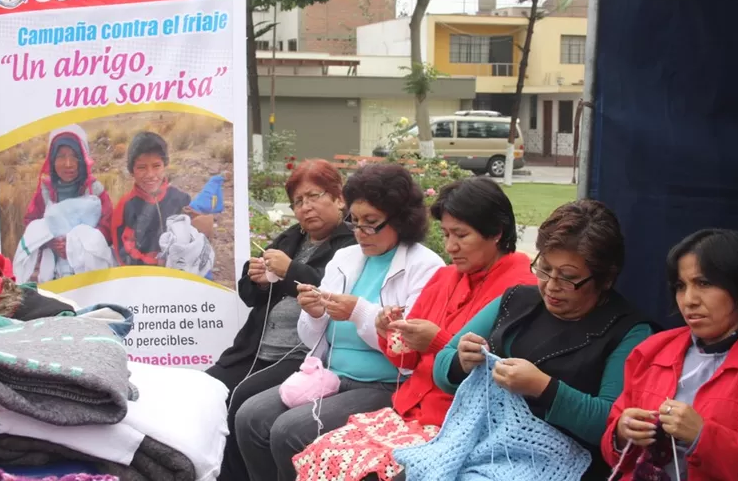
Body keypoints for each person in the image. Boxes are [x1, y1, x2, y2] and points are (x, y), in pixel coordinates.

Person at [292, 177, 538, 481]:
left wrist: (435, 342)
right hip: (411, 409)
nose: (450, 246)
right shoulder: (446, 277)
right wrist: (388, 331)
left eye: (461, 235)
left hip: (461, 422)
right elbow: (405, 361)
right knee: (319, 450)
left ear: (497, 233)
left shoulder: (521, 289)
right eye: (446, 234)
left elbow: (497, 374)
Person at [235, 163, 445, 481]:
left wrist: (359, 311)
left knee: (288, 431)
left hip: (387, 385)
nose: (359, 233)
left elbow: (408, 354)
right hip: (330, 376)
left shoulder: (425, 266)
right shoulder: (346, 258)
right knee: (250, 416)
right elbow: (312, 340)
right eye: (355, 222)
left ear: (401, 219)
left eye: (370, 224)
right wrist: (315, 313)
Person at [433, 199, 655, 480]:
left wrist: (544, 388)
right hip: (487, 449)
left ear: (606, 279)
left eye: (568, 278)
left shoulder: (630, 332)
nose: (551, 286)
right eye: (545, 268)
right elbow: (441, 364)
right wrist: (460, 362)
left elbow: (611, 424)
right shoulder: (515, 300)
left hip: (568, 466)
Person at [603, 229, 738, 481]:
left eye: (704, 284)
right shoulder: (652, 350)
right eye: (681, 286)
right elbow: (612, 452)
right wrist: (620, 433)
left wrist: (703, 438)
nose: (689, 300)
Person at [207, 159, 356, 481]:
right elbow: (249, 296)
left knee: (239, 399)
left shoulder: (351, 245)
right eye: (298, 202)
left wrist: (291, 271)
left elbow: (331, 294)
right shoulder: (290, 239)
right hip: (254, 350)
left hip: (302, 355)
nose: (306, 207)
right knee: (204, 389)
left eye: (315, 196)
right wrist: (257, 279)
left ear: (338, 198)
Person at [22, 125, 114, 259]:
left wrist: (76, 246)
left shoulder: (94, 190)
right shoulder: (46, 192)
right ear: (52, 160)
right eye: (61, 156)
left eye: (74, 156)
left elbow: (108, 228)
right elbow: (30, 224)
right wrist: (50, 242)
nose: (68, 163)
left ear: (83, 159)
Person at [112, 131, 191, 266]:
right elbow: (124, 253)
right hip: (142, 277)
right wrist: (157, 264)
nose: (150, 174)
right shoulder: (125, 207)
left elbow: (193, 240)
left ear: (165, 165)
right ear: (132, 170)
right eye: (142, 167)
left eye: (156, 166)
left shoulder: (181, 199)